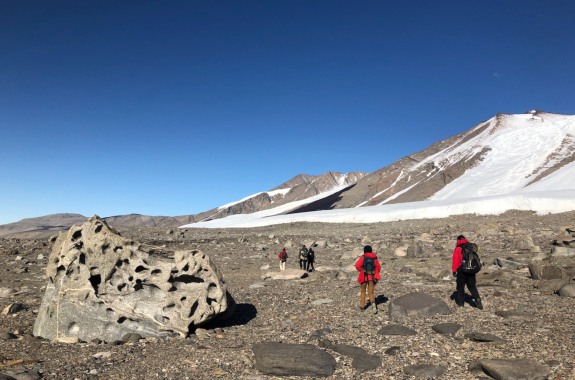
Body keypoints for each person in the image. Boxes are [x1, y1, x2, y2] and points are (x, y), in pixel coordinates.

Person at [452, 235, 483, 309]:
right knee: (472, 286)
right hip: (471, 270)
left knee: (460, 287)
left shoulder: (458, 249)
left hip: (462, 270)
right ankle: (477, 298)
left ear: (458, 240)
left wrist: (454, 270)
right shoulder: (470, 247)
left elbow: (456, 261)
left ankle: (461, 303)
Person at [355, 245, 381, 314]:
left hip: (363, 277)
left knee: (363, 291)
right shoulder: (374, 258)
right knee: (370, 292)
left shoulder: (363, 258)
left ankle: (362, 306)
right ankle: (373, 303)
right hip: (372, 277)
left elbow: (357, 265)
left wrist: (362, 270)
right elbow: (378, 268)